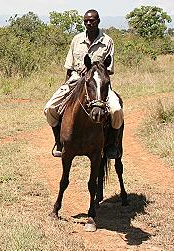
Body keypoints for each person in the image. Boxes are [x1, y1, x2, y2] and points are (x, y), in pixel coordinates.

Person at [44, 9, 123, 158]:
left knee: (116, 110)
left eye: (92, 20)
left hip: (97, 84)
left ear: (98, 21)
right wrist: (65, 86)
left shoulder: (107, 41)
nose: (89, 23)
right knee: (49, 108)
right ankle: (59, 142)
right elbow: (69, 66)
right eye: (86, 20)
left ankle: (112, 144)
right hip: (75, 79)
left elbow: (109, 70)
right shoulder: (77, 39)